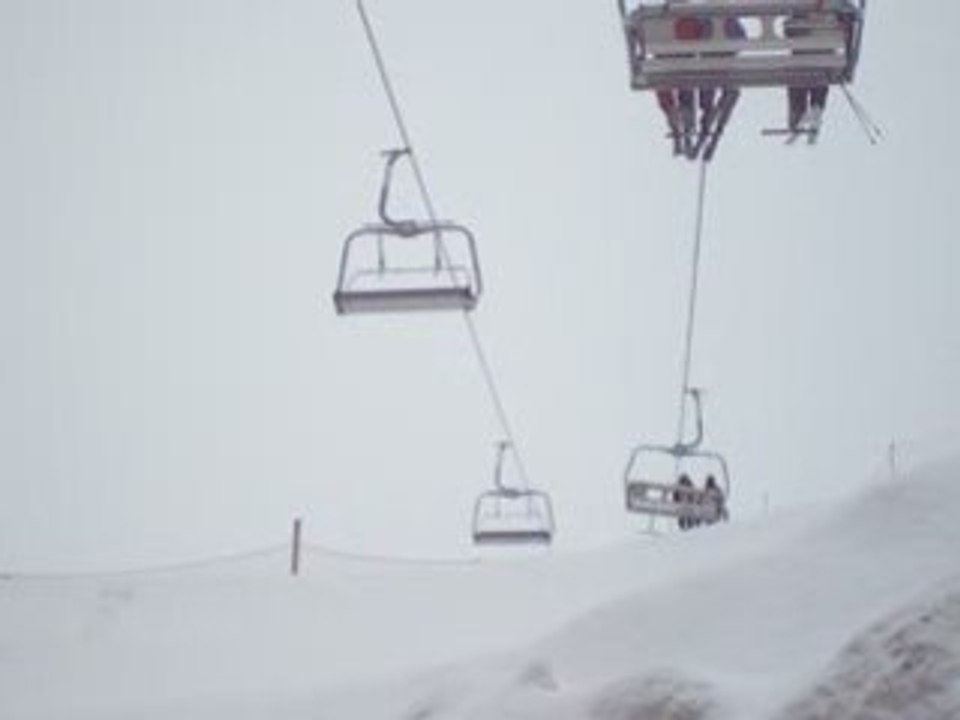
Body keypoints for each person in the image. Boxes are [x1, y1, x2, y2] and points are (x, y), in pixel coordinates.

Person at [784, 11, 831, 136]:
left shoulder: (801, 8)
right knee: (818, 79)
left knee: (798, 78)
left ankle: (799, 113)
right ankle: (813, 108)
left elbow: (788, 31)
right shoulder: (835, 7)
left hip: (805, 59)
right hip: (821, 59)